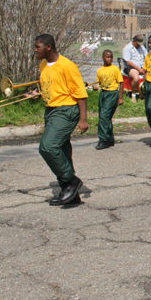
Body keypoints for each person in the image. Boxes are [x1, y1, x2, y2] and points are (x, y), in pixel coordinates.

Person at [32, 34, 89, 206]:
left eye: (37, 47)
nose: (35, 50)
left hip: (65, 111)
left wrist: (83, 119)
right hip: (50, 110)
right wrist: (37, 94)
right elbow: (53, 87)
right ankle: (70, 193)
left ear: (48, 47)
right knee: (62, 151)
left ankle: (71, 180)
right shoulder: (43, 65)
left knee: (48, 147)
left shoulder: (67, 65)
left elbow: (80, 94)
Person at [95, 50, 124, 150]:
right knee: (104, 117)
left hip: (112, 94)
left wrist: (120, 97)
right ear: (103, 57)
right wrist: (96, 88)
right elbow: (100, 83)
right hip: (103, 94)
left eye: (111, 57)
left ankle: (103, 139)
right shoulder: (99, 70)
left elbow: (121, 83)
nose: (110, 59)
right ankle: (110, 139)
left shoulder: (115, 69)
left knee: (104, 116)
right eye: (107, 57)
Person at [122, 35, 147, 103]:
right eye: (138, 44)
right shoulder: (127, 48)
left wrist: (144, 67)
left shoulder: (142, 47)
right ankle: (133, 95)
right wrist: (139, 69)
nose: (139, 45)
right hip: (131, 67)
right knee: (136, 78)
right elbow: (128, 62)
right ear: (134, 41)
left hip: (142, 66)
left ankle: (143, 93)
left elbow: (146, 56)